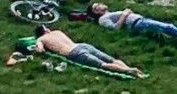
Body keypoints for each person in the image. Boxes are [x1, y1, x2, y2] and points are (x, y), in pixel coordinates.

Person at [8, 26, 143, 80]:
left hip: (73, 53)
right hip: (81, 45)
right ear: (46, 29)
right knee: (111, 60)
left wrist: (37, 49)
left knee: (102, 65)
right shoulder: (57, 31)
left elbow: (41, 49)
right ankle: (127, 67)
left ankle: (129, 70)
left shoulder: (41, 39)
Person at [87, 1, 177, 47]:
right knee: (168, 27)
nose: (100, 4)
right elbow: (115, 29)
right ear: (96, 12)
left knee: (167, 29)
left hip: (140, 21)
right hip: (138, 24)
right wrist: (124, 15)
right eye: (97, 6)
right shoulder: (102, 19)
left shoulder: (109, 13)